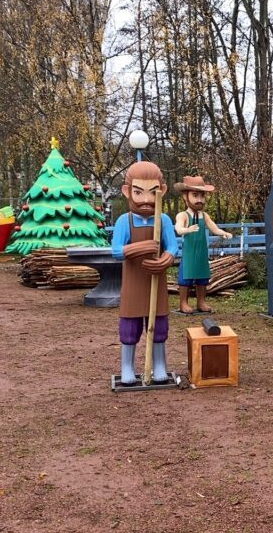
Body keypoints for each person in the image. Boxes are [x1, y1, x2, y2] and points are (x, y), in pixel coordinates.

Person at [110, 161, 178, 385]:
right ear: (127, 191)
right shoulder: (124, 221)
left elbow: (173, 247)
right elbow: (117, 251)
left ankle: (159, 366)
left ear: (163, 190)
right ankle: (127, 367)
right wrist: (141, 248)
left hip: (156, 284)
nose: (147, 200)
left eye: (153, 192)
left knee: (158, 326)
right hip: (133, 284)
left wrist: (166, 259)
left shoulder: (164, 220)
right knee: (129, 328)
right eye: (139, 192)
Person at [173, 175, 233, 314]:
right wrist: (186, 230)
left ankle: (201, 302)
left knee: (202, 277)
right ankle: (183, 303)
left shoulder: (204, 215)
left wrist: (222, 233)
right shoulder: (183, 215)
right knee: (185, 278)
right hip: (188, 253)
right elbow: (178, 228)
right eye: (195, 195)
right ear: (185, 196)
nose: (199, 200)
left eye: (202, 196)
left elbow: (214, 227)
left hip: (201, 252)